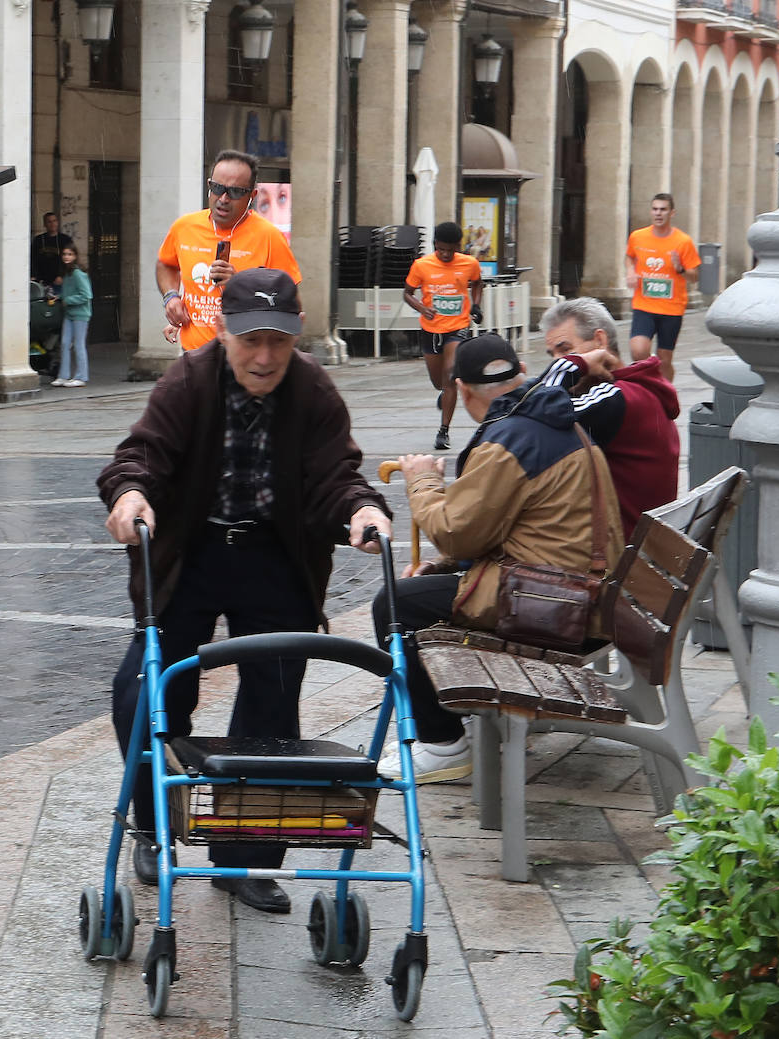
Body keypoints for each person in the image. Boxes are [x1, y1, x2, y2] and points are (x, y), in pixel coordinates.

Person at [98, 268, 392, 914]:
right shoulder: (189, 380)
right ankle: (153, 824)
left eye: (279, 342)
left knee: (273, 702)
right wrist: (131, 495)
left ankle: (244, 854)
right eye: (251, 339)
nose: (264, 357)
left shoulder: (313, 389)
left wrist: (361, 510)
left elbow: (335, 474)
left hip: (273, 553)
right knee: (145, 691)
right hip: (193, 550)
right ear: (225, 331)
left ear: (297, 336)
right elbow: (141, 456)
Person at [371, 333, 621, 783]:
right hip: (585, 594)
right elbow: (492, 531)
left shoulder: (511, 438)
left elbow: (455, 533)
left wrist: (422, 480)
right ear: (521, 373)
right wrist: (445, 567)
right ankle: (457, 726)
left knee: (394, 604)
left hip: (557, 606)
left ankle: (441, 743)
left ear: (462, 391)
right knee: (423, 591)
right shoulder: (554, 419)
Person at [538, 297, 681, 536]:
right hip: (643, 549)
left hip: (618, 557)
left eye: (565, 350)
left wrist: (571, 367)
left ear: (600, 341)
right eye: (552, 355)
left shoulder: (616, 399)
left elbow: (537, 414)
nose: (559, 362)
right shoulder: (639, 388)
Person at [156, 149, 301, 352]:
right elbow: (166, 264)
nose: (223, 198)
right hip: (194, 356)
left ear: (252, 195)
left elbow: (290, 302)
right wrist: (171, 297)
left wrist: (241, 285)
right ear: (209, 186)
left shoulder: (269, 236)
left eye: (235, 192)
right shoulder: (184, 227)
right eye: (217, 188)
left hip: (245, 359)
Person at [402, 221, 484, 452]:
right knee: (438, 381)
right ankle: (444, 393)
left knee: (450, 376)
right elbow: (407, 293)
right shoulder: (421, 265)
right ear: (435, 244)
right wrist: (421, 308)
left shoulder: (469, 263)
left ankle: (443, 431)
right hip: (430, 328)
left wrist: (476, 306)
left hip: (457, 326)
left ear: (458, 246)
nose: (446, 254)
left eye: (451, 249)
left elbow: (478, 283)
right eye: (441, 249)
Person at [624, 193, 700, 382]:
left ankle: (666, 394)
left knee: (665, 359)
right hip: (644, 305)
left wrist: (680, 269)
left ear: (672, 213)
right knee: (638, 350)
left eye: (663, 209)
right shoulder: (638, 236)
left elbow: (694, 277)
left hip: (672, 308)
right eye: (655, 209)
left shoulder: (683, 242)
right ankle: (650, 383)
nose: (658, 213)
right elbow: (629, 256)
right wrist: (630, 271)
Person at [52, 244, 93, 388]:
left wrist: (68, 300)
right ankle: (63, 376)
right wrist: (59, 296)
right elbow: (69, 292)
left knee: (78, 344)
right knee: (64, 344)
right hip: (69, 313)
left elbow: (87, 295)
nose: (66, 257)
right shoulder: (67, 273)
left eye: (69, 254)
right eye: (64, 254)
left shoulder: (77, 273)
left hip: (80, 314)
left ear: (75, 256)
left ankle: (81, 376)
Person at [30, 211, 73, 290]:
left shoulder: (65, 240)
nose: (52, 224)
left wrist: (62, 275)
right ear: (45, 224)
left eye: (54, 221)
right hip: (41, 281)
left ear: (57, 222)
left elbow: (70, 260)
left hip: (58, 280)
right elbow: (32, 259)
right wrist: (33, 275)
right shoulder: (38, 240)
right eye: (49, 222)